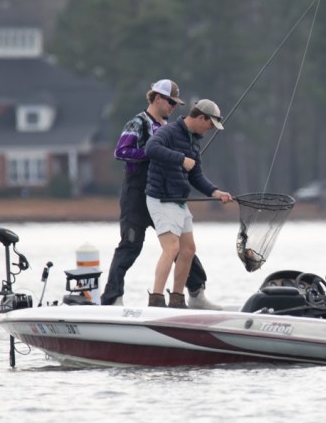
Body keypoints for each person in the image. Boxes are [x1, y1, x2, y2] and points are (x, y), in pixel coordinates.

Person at [100, 79, 221, 309]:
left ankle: (196, 293)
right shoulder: (138, 123)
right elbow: (121, 151)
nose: (174, 107)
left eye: (176, 104)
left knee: (183, 248)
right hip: (136, 194)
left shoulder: (170, 127)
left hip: (162, 194)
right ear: (157, 98)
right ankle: (112, 298)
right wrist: (156, 153)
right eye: (170, 102)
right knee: (130, 245)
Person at [144, 99, 233, 308]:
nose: (210, 129)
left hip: (179, 202)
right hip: (161, 199)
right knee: (171, 248)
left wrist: (215, 192)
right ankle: (156, 299)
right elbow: (151, 148)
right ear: (201, 117)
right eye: (210, 124)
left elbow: (196, 176)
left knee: (188, 249)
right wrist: (180, 159)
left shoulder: (194, 141)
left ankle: (177, 299)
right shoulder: (169, 131)